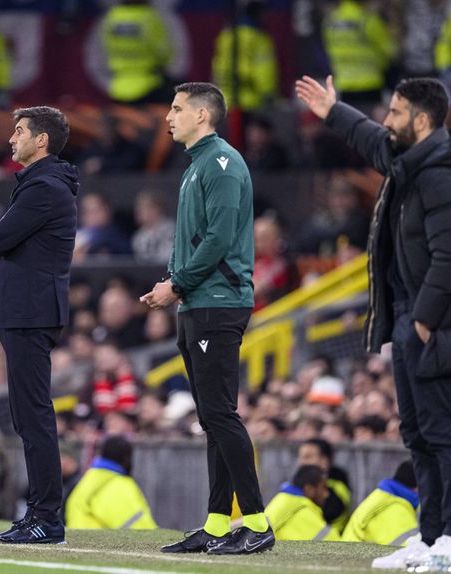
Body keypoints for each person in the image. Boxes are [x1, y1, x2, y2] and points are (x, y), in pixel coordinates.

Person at [296, 74, 451, 571]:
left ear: (421, 121)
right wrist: (334, 112)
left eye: (397, 112)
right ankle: (429, 537)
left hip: (431, 321)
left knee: (444, 432)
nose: (387, 120)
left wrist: (422, 321)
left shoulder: (443, 176)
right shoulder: (411, 161)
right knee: (417, 433)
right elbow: (372, 140)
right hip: (408, 316)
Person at [143, 83, 273, 555]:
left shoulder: (220, 164)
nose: (168, 117)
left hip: (216, 301)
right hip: (199, 302)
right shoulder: (200, 164)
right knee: (212, 417)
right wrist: (178, 288)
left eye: (176, 109)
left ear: (202, 115)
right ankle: (218, 523)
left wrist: (175, 284)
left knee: (220, 413)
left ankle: (257, 522)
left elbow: (218, 239)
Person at [0, 105, 77, 544]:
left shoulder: (44, 188)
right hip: (26, 312)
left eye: (18, 131)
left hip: (30, 313)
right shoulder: (42, 185)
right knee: (28, 416)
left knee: (34, 417)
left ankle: (47, 518)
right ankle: (39, 513)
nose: (10, 139)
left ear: (41, 140)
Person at [65, 435, 156, 530]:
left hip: (77, 542)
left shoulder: (87, 480)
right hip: (98, 543)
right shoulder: (118, 485)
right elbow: (139, 528)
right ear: (127, 458)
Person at [322, 0, 395, 107]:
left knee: (349, 121)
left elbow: (328, 48)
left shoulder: (330, 21)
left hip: (343, 83)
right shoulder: (368, 20)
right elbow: (388, 51)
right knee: (369, 123)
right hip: (371, 84)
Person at [211, 0, 278, 112]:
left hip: (225, 101)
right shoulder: (259, 39)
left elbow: (217, 68)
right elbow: (264, 71)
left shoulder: (225, 36)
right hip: (253, 102)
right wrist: (268, 95)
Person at [101, 0, 172, 103]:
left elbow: (106, 44)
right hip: (150, 85)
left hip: (118, 85)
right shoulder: (148, 17)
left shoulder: (113, 16)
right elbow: (163, 51)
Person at [342, 461, 419, 546]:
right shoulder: (395, 510)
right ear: (419, 487)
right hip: (355, 558)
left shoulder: (382, 498)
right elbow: (410, 554)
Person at [265, 465, 340, 541]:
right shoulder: (303, 512)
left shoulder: (281, 502)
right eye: (324, 488)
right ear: (309, 489)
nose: (326, 494)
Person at [297, 438, 352, 534]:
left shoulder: (336, 487)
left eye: (308, 457)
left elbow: (332, 511)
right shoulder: (303, 484)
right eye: (301, 457)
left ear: (324, 461)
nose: (302, 462)